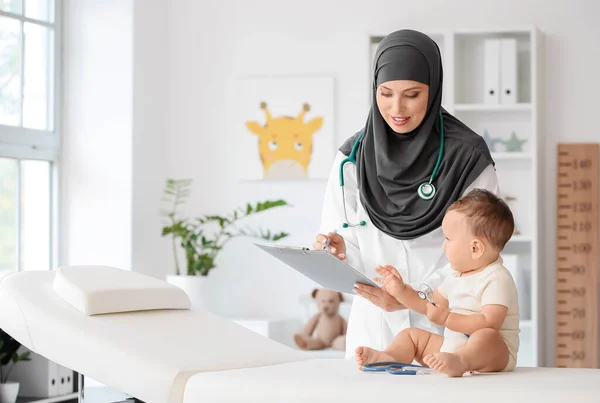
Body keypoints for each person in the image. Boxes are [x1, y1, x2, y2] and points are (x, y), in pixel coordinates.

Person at [312, 28, 500, 360]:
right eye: (385, 93)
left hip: (444, 327)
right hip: (373, 323)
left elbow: (481, 254)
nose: (396, 108)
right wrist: (337, 251)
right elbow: (346, 240)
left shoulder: (468, 158)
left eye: (412, 94)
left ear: (434, 89)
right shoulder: (352, 157)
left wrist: (417, 297)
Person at [355, 189, 519, 376]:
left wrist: (447, 319)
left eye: (448, 239)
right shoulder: (457, 276)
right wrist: (400, 291)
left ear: (475, 248)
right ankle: (390, 357)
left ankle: (463, 361)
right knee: (412, 335)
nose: (444, 245)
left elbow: (490, 322)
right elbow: (427, 304)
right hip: (454, 346)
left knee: (486, 335)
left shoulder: (496, 278)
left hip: (494, 354)